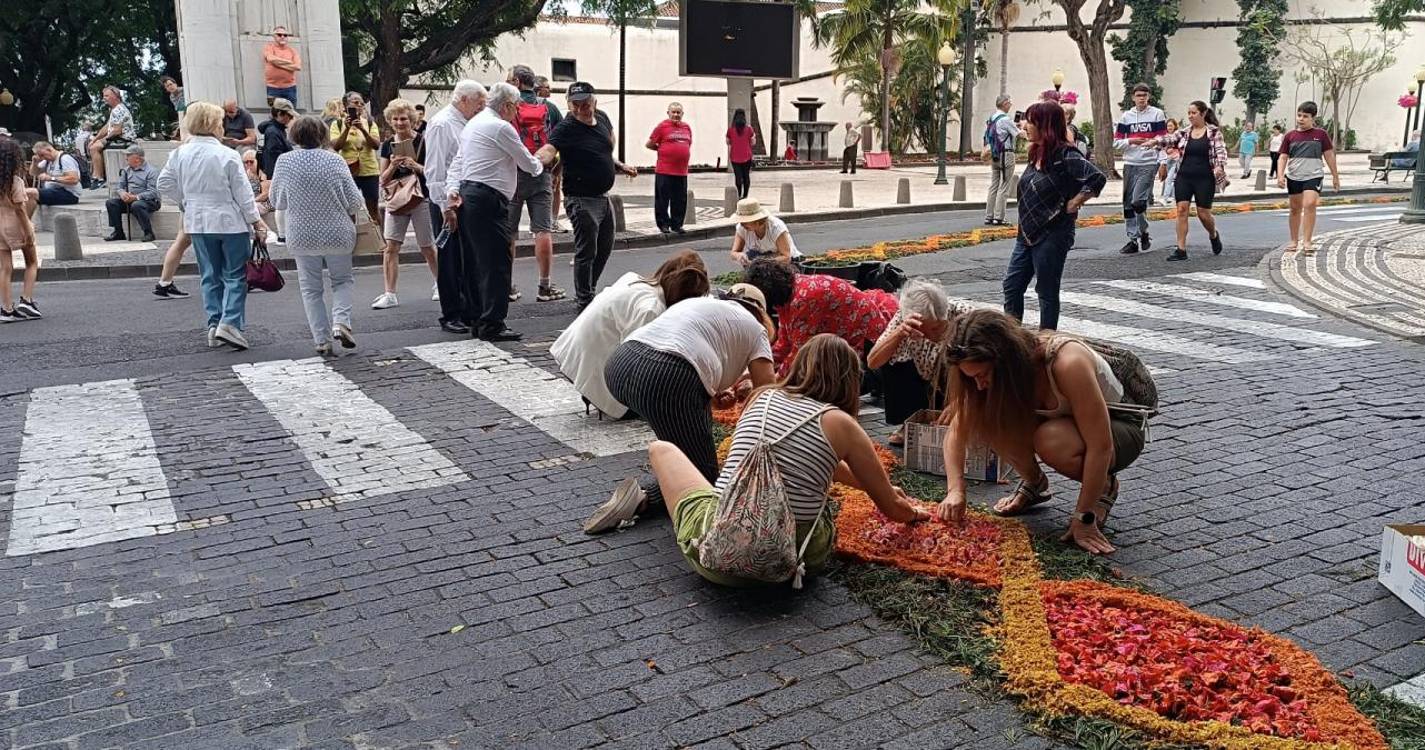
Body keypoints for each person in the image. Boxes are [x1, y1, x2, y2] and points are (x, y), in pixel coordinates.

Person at [643, 334, 930, 586]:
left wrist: (874, 487)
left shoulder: (761, 396)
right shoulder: (842, 425)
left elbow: (806, 457)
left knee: (660, 449)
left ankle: (705, 517)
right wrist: (914, 512)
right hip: (793, 561)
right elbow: (893, 510)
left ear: (799, 365)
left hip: (713, 556)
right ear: (851, 380)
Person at [934, 309, 1146, 556]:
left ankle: (1104, 487)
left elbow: (1101, 446)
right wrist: (955, 491)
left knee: (1050, 440)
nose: (979, 385)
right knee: (991, 417)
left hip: (1119, 426)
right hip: (1065, 424)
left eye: (983, 375)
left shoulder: (1067, 363)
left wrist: (1084, 517)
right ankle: (1035, 484)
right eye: (971, 378)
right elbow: (956, 431)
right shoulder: (989, 378)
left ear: (1006, 362)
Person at [584, 287, 778, 534]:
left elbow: (686, 349)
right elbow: (767, 394)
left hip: (621, 364)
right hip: (667, 375)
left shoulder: (701, 305)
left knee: (682, 440)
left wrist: (710, 396)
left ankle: (668, 469)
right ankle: (641, 499)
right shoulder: (756, 329)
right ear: (761, 313)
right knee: (702, 477)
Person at [443, 82, 551, 342]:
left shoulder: (473, 124)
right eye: (516, 107)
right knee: (496, 262)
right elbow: (527, 163)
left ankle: (478, 316)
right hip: (488, 199)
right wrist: (543, 160)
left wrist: (452, 190)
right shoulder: (501, 127)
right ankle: (492, 322)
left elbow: (458, 162)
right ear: (507, 106)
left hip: (469, 194)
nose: (517, 112)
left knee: (475, 261)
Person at [158, 102, 269, 350]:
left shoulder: (179, 154)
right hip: (229, 221)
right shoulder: (227, 154)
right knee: (236, 275)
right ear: (214, 124)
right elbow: (242, 193)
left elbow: (163, 183)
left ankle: (214, 324)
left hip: (197, 221)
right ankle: (230, 323)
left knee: (210, 275)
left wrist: (185, 200)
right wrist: (256, 220)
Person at [551, 250, 710, 418]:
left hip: (573, 352)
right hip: (591, 367)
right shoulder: (651, 310)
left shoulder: (633, 279)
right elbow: (639, 365)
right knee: (666, 400)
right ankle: (602, 398)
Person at [1003, 101, 1106, 332]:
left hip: (1053, 232)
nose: (1025, 126)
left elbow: (1097, 178)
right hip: (1027, 233)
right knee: (1012, 286)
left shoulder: (1066, 155)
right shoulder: (1036, 152)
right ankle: (1011, 337)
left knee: (1046, 290)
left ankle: (1047, 337)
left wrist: (1076, 201)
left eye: (1031, 122)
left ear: (1046, 125)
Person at [270, 116, 369, 357]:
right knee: (342, 280)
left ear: (294, 135)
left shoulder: (285, 161)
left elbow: (277, 201)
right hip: (337, 231)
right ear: (323, 134)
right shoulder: (335, 160)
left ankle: (321, 339)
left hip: (301, 234)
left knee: (310, 289)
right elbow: (354, 202)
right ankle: (341, 321)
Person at [534, 82, 637, 311]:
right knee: (587, 250)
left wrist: (619, 165)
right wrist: (536, 160)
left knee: (605, 247)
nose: (581, 109)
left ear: (594, 102)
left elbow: (604, 149)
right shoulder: (566, 127)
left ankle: (589, 289)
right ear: (569, 105)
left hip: (603, 196)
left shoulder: (602, 119)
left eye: (585, 103)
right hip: (580, 198)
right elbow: (550, 149)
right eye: (575, 104)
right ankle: (585, 299)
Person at [742, 258, 898, 378]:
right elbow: (784, 343)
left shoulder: (804, 299)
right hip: (844, 337)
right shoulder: (788, 296)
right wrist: (753, 369)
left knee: (814, 380)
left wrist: (768, 383)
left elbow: (798, 355)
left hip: (867, 342)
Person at [867, 280, 968, 446]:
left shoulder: (964, 316)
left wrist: (962, 401)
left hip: (959, 385)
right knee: (892, 355)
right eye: (924, 331)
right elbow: (873, 362)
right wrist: (899, 333)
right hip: (925, 381)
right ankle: (910, 420)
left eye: (936, 328)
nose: (931, 336)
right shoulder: (904, 319)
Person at [423, 80, 487, 334]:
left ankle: (469, 309)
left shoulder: (466, 121)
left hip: (462, 196)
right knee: (449, 258)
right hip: (447, 200)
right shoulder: (442, 124)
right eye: (478, 103)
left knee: (467, 257)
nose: (481, 108)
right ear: (463, 100)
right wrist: (444, 206)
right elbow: (435, 169)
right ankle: (451, 313)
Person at [1133, 101, 1228, 262]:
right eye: (1189, 113)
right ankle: (1181, 249)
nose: (1190, 116)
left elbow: (1221, 152)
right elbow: (1169, 138)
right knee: (1182, 210)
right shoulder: (1184, 133)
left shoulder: (1213, 133)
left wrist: (1219, 166)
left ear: (1203, 113)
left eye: (1194, 113)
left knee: (1203, 214)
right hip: (1184, 176)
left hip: (1204, 178)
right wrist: (1155, 141)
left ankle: (1213, 234)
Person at [505, 65, 565, 303]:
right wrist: (556, 171)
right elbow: (562, 140)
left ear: (517, 82)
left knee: (508, 233)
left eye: (509, 79)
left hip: (512, 175)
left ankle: (507, 286)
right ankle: (545, 286)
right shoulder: (549, 108)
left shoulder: (508, 106)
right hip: (541, 173)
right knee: (542, 230)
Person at [373, 98, 438, 310]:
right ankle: (389, 293)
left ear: (411, 119)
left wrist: (415, 166)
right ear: (390, 121)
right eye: (395, 119)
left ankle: (440, 284)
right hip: (397, 200)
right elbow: (383, 179)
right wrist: (393, 165)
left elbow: (434, 172)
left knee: (427, 246)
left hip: (420, 197)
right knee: (391, 247)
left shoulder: (424, 141)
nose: (399, 123)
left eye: (403, 119)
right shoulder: (387, 145)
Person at [1277, 101, 1340, 257]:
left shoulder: (1321, 135)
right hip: (1294, 176)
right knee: (1295, 208)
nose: (1301, 119)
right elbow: (1283, 157)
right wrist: (1280, 175)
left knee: (1310, 204)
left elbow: (1329, 155)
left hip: (1314, 175)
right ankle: (1294, 241)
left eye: (1305, 116)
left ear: (1313, 118)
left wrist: (1335, 176)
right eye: (1299, 115)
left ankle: (1307, 241)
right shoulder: (1290, 136)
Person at [1113, 83, 1167, 255]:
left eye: (1144, 95)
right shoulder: (1126, 117)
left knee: (1138, 201)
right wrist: (1130, 141)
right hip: (1130, 163)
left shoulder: (1157, 114)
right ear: (1133, 97)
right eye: (1138, 95)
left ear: (1148, 97)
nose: (1141, 98)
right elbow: (1116, 142)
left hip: (1149, 163)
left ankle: (1143, 230)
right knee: (1128, 204)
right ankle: (1133, 239)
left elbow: (1163, 140)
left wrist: (1163, 162)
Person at [0, 137, 41, 322]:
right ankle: (27, 299)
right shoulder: (14, 181)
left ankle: (6, 309)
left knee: (5, 268)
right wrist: (28, 230)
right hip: (16, 224)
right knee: (31, 262)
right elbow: (19, 209)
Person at [331, 91, 383, 221]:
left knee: (373, 207)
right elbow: (336, 146)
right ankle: (352, 233)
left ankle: (378, 233)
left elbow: (376, 145)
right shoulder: (337, 124)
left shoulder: (370, 123)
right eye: (355, 102)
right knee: (349, 208)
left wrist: (363, 129)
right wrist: (347, 129)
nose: (359, 105)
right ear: (346, 105)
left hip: (369, 171)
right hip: (348, 171)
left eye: (362, 103)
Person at [646, 101, 692, 235]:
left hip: (681, 171)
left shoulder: (687, 127)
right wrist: (662, 150)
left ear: (682, 114)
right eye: (674, 112)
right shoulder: (662, 127)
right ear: (668, 113)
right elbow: (649, 144)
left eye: (678, 112)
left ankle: (677, 225)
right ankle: (663, 224)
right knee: (662, 199)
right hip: (664, 170)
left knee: (680, 200)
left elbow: (688, 144)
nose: (676, 115)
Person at [104, 145, 161, 242]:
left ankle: (148, 233)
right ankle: (118, 232)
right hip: (130, 199)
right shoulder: (126, 170)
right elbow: (119, 186)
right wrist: (123, 194)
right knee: (111, 203)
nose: (126, 158)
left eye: (128, 156)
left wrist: (136, 197)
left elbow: (153, 192)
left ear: (137, 158)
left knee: (137, 205)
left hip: (149, 201)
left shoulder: (151, 171)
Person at [535, 76, 569, 232]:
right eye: (547, 87)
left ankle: (539, 224)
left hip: (530, 155)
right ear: (538, 89)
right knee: (554, 187)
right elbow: (563, 133)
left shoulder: (519, 105)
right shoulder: (551, 108)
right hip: (549, 155)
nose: (550, 90)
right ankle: (552, 221)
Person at [87, 86, 138, 188]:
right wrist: (95, 139)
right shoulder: (115, 109)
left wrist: (103, 139)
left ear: (115, 96)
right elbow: (107, 127)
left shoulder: (118, 110)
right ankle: (97, 176)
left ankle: (99, 178)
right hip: (117, 138)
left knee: (94, 148)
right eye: (104, 96)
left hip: (123, 139)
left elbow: (117, 131)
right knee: (94, 145)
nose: (104, 98)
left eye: (106, 96)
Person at [729, 198, 801, 267]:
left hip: (786, 264)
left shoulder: (776, 227)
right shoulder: (742, 228)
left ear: (757, 221)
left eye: (745, 221)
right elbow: (734, 253)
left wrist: (763, 262)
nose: (742, 224)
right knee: (751, 255)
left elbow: (786, 257)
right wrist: (739, 256)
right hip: (759, 262)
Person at [983, 94, 1021, 226]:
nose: (1010, 105)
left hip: (994, 154)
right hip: (1006, 154)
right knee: (1004, 185)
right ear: (1004, 104)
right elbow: (1019, 134)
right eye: (1009, 102)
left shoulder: (992, 118)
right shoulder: (1006, 119)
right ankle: (999, 217)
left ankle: (989, 215)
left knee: (994, 185)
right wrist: (1023, 127)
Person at [32, 141, 83, 206]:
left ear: (49, 150)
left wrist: (51, 178)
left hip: (69, 193)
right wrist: (34, 162)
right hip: (54, 191)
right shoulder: (48, 161)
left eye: (42, 155)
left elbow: (74, 179)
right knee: (28, 195)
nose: (42, 158)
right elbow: (33, 173)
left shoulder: (65, 159)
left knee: (32, 193)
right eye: (39, 156)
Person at [262, 25, 303, 105]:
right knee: (275, 111)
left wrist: (276, 64)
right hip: (273, 87)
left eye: (285, 35)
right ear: (274, 36)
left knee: (291, 111)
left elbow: (298, 67)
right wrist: (290, 62)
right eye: (279, 35)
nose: (282, 37)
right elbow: (271, 59)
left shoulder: (292, 51)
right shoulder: (269, 48)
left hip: (290, 88)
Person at [257, 98, 296, 180]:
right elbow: (275, 158)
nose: (291, 118)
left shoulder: (278, 129)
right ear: (279, 114)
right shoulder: (273, 132)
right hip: (277, 176)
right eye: (289, 115)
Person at [726, 109, 755, 199]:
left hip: (734, 157)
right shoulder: (749, 129)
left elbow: (728, 142)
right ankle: (745, 195)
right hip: (747, 156)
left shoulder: (730, 130)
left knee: (738, 176)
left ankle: (739, 194)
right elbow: (753, 142)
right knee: (746, 176)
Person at [1157, 118, 1180, 206]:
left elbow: (1181, 146)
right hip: (1167, 160)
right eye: (1168, 126)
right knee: (1170, 179)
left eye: (1171, 125)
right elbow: (1161, 148)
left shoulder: (1178, 135)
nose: (1169, 127)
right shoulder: (1164, 136)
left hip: (1176, 160)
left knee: (1170, 179)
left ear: (1175, 126)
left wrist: (1173, 149)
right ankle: (1173, 198)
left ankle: (1165, 198)